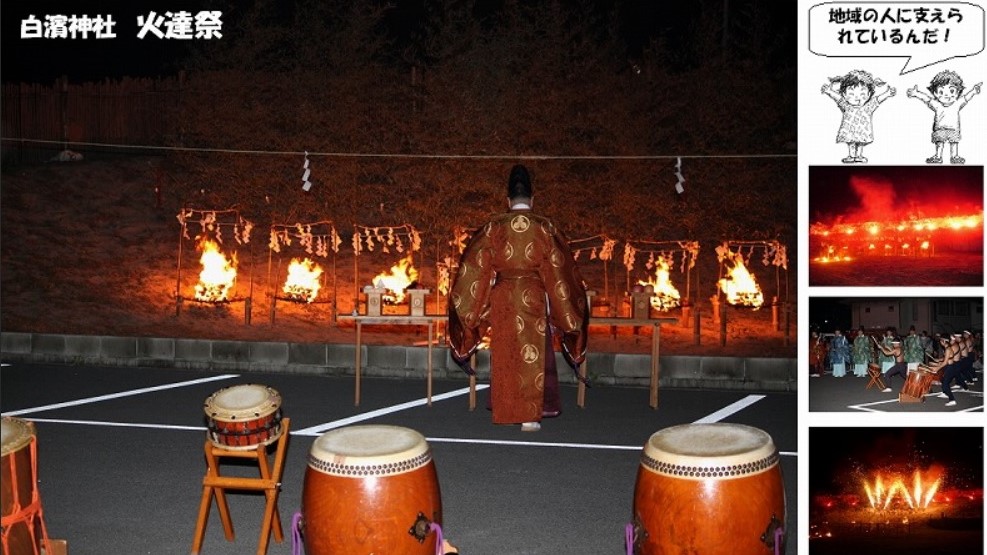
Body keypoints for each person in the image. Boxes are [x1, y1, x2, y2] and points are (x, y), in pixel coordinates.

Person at [447, 164, 589, 432]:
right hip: (535, 295)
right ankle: (530, 417)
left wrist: (470, 313)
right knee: (533, 353)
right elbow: (560, 273)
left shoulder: (493, 227)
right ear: (532, 201)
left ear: (508, 201)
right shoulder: (545, 227)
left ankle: (506, 408)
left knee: (506, 354)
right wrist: (568, 317)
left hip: (503, 297)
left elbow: (473, 270)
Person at [906, 70, 981, 164]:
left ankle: (954, 157)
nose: (946, 95)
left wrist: (973, 91)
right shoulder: (937, 104)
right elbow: (926, 99)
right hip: (940, 129)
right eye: (941, 92)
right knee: (939, 142)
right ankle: (938, 157)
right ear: (935, 94)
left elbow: (966, 97)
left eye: (952, 91)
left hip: (953, 129)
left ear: (958, 92)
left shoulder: (957, 104)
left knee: (954, 143)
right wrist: (916, 94)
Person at [821, 69, 895, 163]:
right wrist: (829, 91)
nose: (857, 98)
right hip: (850, 130)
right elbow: (837, 98)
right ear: (844, 94)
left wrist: (888, 93)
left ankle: (859, 156)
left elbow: (878, 99)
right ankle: (851, 156)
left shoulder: (868, 106)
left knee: (861, 143)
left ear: (869, 94)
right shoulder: (846, 106)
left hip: (862, 130)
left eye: (862, 95)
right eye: (851, 94)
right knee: (851, 143)